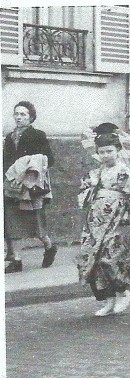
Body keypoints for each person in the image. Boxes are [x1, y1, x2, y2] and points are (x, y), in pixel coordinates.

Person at [77, 128, 130, 316]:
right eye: (102, 151)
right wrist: (90, 188)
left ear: (118, 150)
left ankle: (123, 292)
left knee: (111, 256)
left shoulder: (126, 172)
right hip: (97, 218)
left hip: (118, 216)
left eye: (109, 151)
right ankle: (108, 299)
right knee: (93, 257)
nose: (105, 155)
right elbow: (85, 193)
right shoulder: (96, 172)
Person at [4, 101, 58, 273]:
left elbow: (49, 159)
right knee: (10, 220)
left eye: (23, 114)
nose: (19, 117)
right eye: (16, 114)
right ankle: (16, 259)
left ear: (31, 117)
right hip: (13, 183)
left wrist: (31, 164)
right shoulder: (9, 137)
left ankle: (49, 246)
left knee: (36, 220)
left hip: (30, 185)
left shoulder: (38, 135)